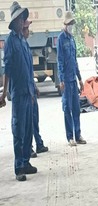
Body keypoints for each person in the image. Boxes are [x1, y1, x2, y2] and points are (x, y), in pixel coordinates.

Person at [0, 1, 37, 181]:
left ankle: (26, 162)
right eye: (20, 18)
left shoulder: (23, 41)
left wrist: (34, 88)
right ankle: (19, 167)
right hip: (18, 92)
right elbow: (7, 69)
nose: (23, 20)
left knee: (28, 129)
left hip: (28, 92)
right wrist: (3, 93)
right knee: (19, 130)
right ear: (15, 21)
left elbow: (29, 67)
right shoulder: (10, 42)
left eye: (23, 17)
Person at [57, 11, 86, 147]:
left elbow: (74, 61)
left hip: (73, 80)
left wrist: (79, 78)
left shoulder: (72, 39)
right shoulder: (61, 39)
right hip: (66, 81)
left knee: (76, 108)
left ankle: (78, 135)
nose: (71, 26)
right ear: (65, 24)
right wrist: (61, 80)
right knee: (67, 109)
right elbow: (60, 61)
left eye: (72, 24)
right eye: (69, 24)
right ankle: (70, 137)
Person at [23, 19, 49, 158]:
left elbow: (29, 70)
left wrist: (34, 86)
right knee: (26, 122)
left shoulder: (25, 45)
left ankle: (38, 143)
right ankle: (29, 148)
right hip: (24, 91)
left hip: (30, 88)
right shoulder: (18, 45)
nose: (29, 31)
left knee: (34, 118)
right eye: (27, 29)